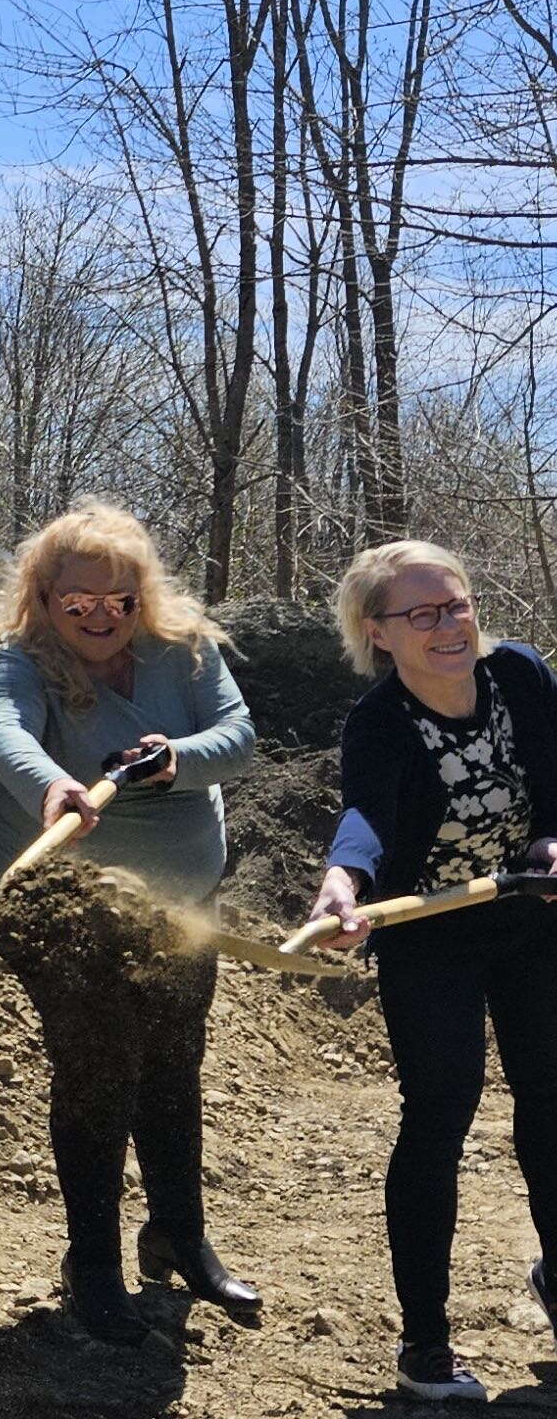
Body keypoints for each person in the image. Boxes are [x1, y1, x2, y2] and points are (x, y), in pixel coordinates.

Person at [0, 501, 256, 1343]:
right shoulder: (19, 661)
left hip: (179, 902)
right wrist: (53, 785)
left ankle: (177, 1234)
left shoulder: (187, 652)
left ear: (142, 595)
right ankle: (90, 1263)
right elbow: (1, 731)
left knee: (173, 1060)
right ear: (44, 598)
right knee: (100, 1067)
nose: (99, 614)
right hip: (59, 901)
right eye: (77, 599)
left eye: (118, 598)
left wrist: (176, 757)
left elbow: (238, 737)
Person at [305, 541, 557, 1403]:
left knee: (553, 1100)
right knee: (439, 1116)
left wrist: (551, 840)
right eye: (421, 614)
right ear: (378, 633)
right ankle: (424, 1347)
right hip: (432, 933)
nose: (447, 626)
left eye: (455, 605)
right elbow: (366, 819)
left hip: (532, 919)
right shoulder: (377, 723)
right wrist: (342, 886)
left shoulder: (519, 674)